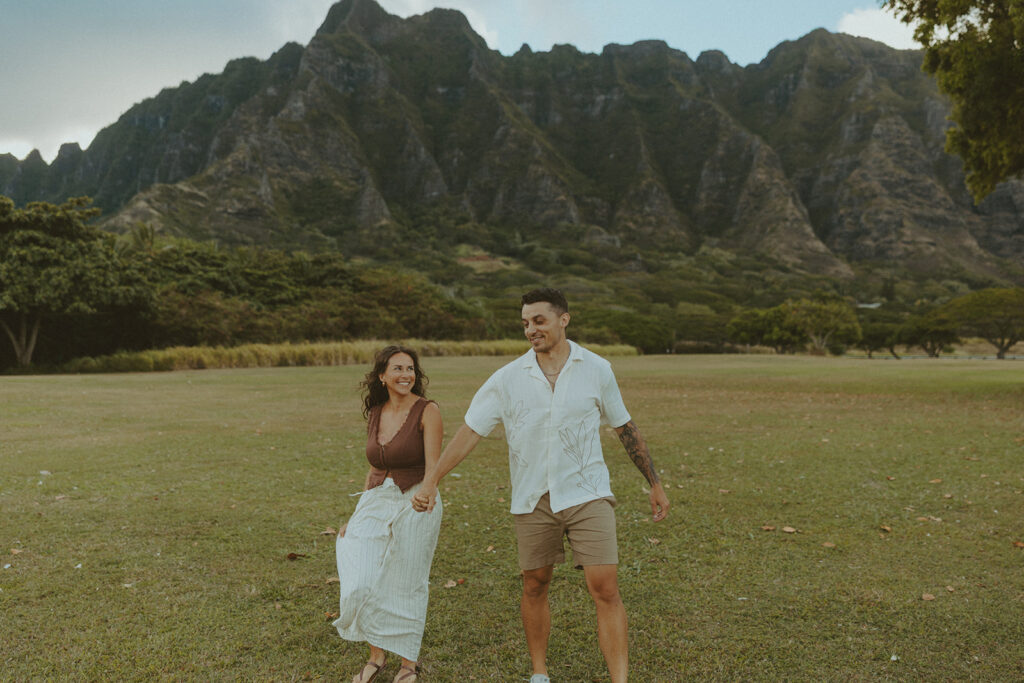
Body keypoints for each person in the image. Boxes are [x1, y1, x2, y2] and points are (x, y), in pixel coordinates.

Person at [412, 288, 670, 683]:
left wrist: (654, 482)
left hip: (588, 493)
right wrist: (431, 480)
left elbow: (624, 426)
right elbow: (470, 432)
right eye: (525, 323)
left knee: (605, 587)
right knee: (535, 584)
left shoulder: (596, 368)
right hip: (533, 498)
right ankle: (539, 672)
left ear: (563, 319)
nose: (531, 329)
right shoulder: (507, 378)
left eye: (539, 321)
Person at [334, 345, 443, 683]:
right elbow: (373, 467)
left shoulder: (428, 411)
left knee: (407, 581)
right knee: (362, 576)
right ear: (382, 376)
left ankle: (408, 665)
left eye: (410, 368)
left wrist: (425, 496)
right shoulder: (377, 412)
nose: (405, 375)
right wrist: (357, 515)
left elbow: (434, 467)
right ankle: (376, 656)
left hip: (416, 499)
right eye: (397, 368)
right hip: (377, 498)